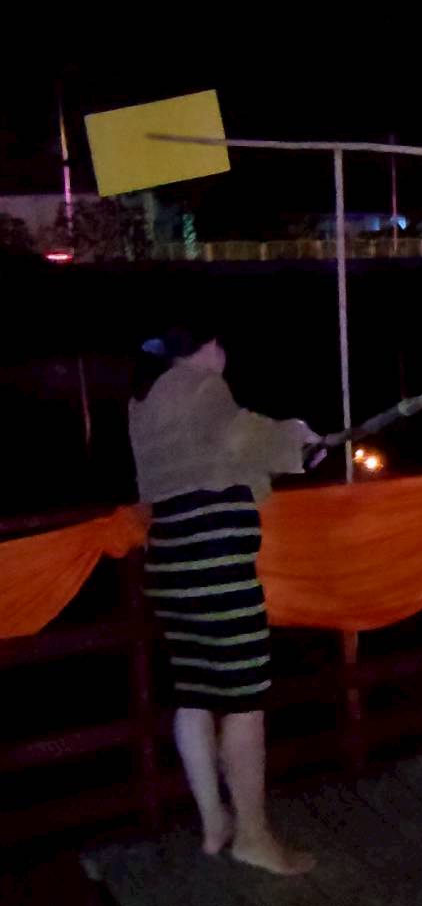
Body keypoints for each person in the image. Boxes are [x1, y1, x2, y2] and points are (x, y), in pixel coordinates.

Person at [128, 325, 316, 876]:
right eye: (222, 345)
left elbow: (207, 458)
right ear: (207, 346)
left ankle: (215, 822)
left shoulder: (144, 402)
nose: (225, 355)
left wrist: (285, 444)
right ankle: (252, 835)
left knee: (194, 692)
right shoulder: (202, 387)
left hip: (170, 563)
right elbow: (243, 439)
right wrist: (296, 436)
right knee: (243, 699)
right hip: (216, 566)